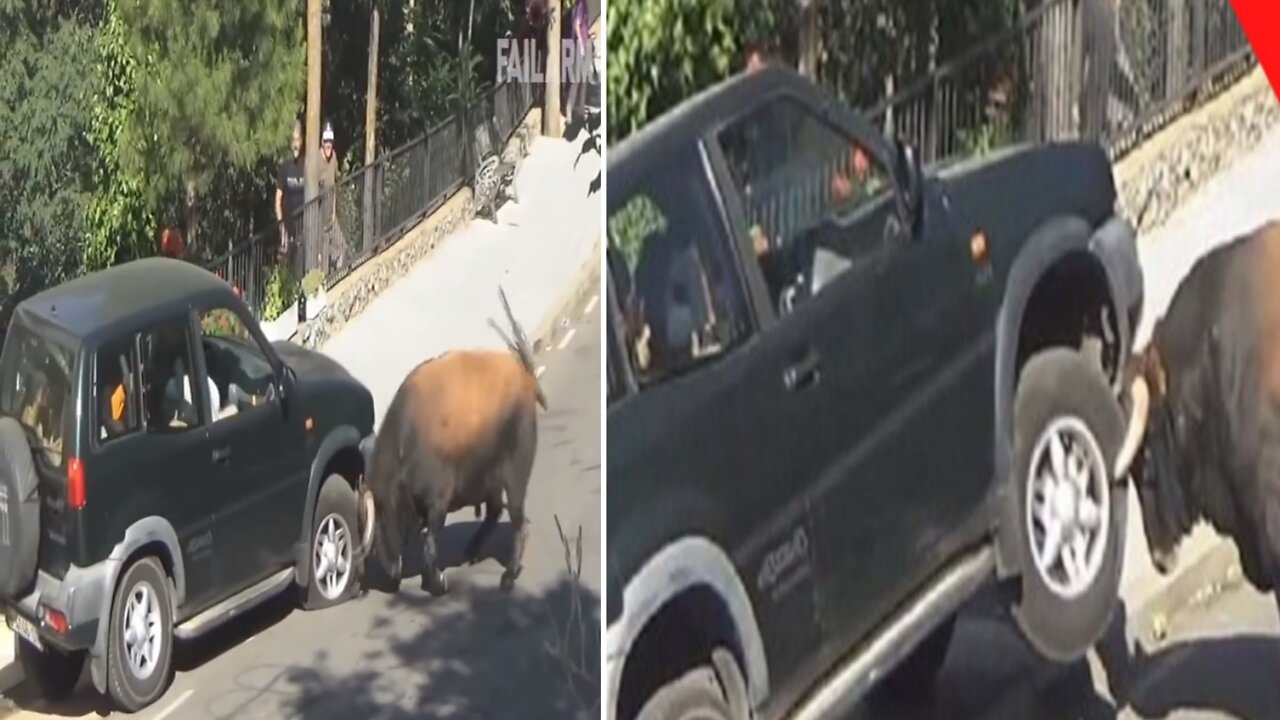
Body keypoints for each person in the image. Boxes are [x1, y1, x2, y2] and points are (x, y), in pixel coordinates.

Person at [275, 119, 306, 266]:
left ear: (302, 141)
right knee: (288, 265)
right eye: (293, 140)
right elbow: (278, 199)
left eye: (298, 140)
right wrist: (281, 226)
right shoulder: (285, 167)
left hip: (305, 224)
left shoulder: (307, 164)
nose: (295, 144)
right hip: (288, 225)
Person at [318, 121, 343, 274]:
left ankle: (336, 274)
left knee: (341, 247)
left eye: (330, 142)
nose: (328, 145)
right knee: (323, 254)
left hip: (330, 213)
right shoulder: (316, 160)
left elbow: (334, 185)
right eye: (326, 141)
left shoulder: (333, 157)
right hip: (319, 215)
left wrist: (333, 211)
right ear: (322, 142)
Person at [564, 0, 590, 127]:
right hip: (579, 47)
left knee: (583, 79)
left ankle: (580, 110)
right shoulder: (581, 5)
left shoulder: (580, 5)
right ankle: (569, 110)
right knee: (577, 80)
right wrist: (581, 44)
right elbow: (577, 25)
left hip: (581, 44)